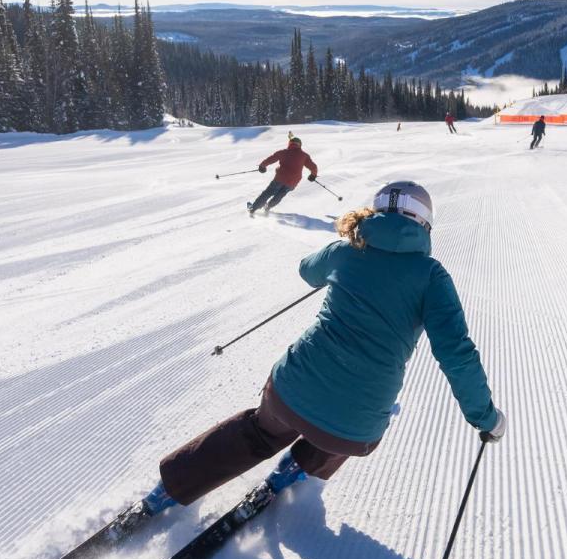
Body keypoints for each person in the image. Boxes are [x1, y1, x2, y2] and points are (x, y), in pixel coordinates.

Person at [141, 181, 507, 513]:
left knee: (261, 429)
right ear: (424, 224)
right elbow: (456, 355)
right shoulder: (432, 277)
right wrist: (486, 419)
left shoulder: (347, 252)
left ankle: (171, 487)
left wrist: (345, 258)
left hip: (290, 391)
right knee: (348, 427)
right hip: (356, 425)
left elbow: (307, 270)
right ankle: (298, 469)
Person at [249, 136, 317, 216]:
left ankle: (253, 208)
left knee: (268, 193)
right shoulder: (304, 155)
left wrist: (262, 166)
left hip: (280, 178)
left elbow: (271, 159)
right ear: (300, 145)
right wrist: (313, 175)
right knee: (280, 195)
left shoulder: (283, 152)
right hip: (293, 182)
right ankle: (268, 207)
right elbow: (313, 167)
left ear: (290, 144)